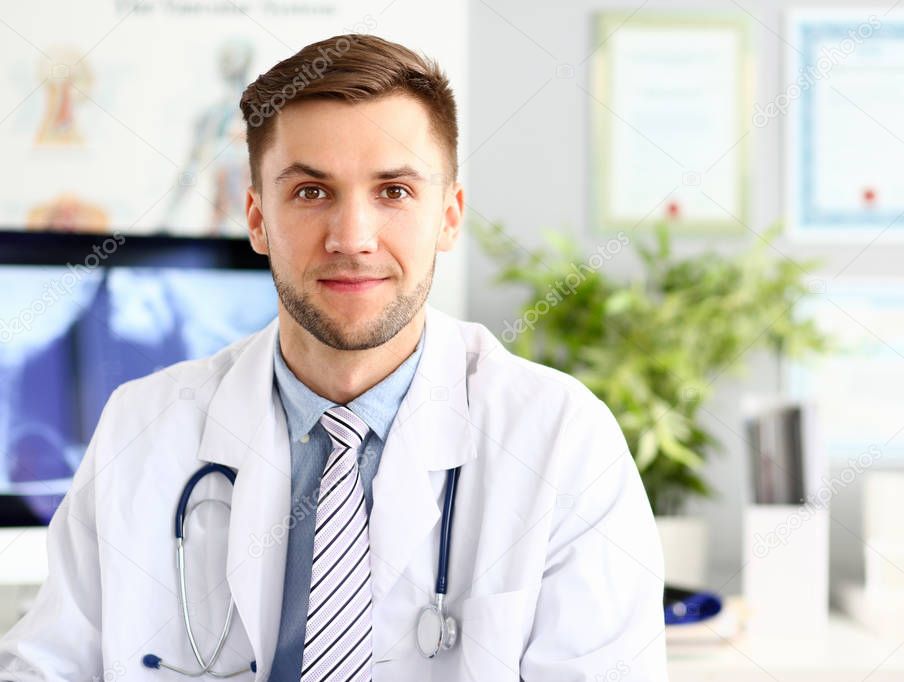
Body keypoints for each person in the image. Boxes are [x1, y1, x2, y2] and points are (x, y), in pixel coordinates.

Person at [0, 34, 668, 681]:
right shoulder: (141, 426)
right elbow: (48, 663)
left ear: (449, 216)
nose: (352, 238)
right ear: (257, 219)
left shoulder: (560, 440)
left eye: (394, 191)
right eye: (311, 192)